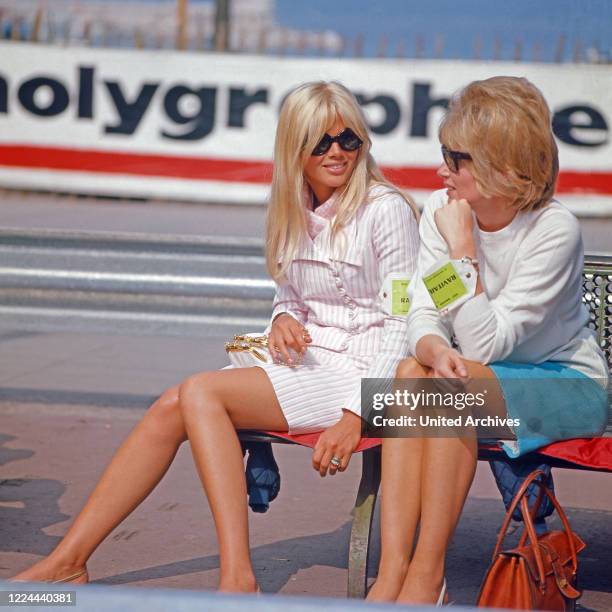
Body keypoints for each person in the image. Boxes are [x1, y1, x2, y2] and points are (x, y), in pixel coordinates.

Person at [12, 81, 420, 592]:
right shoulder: (291, 208)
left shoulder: (387, 209)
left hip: (363, 374)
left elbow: (403, 321)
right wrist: (282, 321)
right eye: (320, 141)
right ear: (294, 147)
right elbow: (291, 297)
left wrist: (358, 413)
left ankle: (237, 577)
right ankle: (69, 558)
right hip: (314, 359)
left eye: (349, 139)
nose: (336, 152)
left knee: (201, 392)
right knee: (170, 404)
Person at [366, 76, 609, 606]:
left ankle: (428, 576)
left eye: (456, 159)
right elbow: (423, 311)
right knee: (410, 376)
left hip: (566, 384)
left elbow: (486, 344)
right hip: (477, 381)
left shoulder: (553, 229)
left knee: (450, 389)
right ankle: (393, 573)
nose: (441, 171)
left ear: (503, 165)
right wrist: (430, 349)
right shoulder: (441, 207)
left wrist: (462, 249)